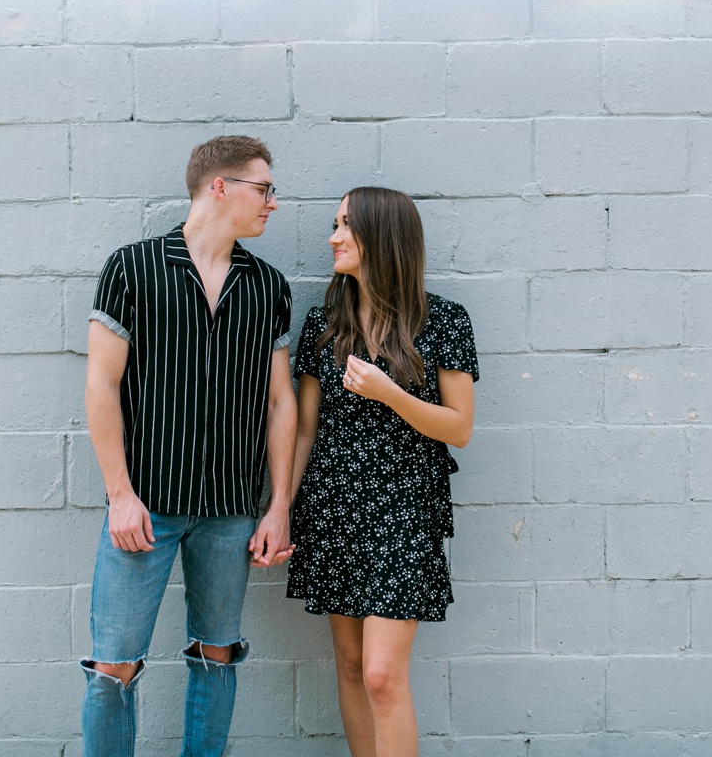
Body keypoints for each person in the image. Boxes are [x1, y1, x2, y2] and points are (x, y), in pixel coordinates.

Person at [81, 135, 297, 757]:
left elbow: (280, 402)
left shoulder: (268, 286)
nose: (272, 204)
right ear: (219, 187)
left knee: (217, 656)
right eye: (264, 189)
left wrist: (277, 504)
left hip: (230, 510)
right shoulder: (133, 267)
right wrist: (120, 495)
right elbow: (102, 384)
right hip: (145, 506)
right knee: (112, 667)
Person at [287, 186, 479, 757]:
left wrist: (390, 393)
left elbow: (459, 427)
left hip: (403, 513)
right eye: (335, 224)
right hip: (332, 510)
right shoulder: (325, 322)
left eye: (346, 225)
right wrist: (281, 509)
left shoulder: (442, 320)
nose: (333, 236)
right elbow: (303, 429)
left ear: (381, 236)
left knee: (381, 675)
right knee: (349, 666)